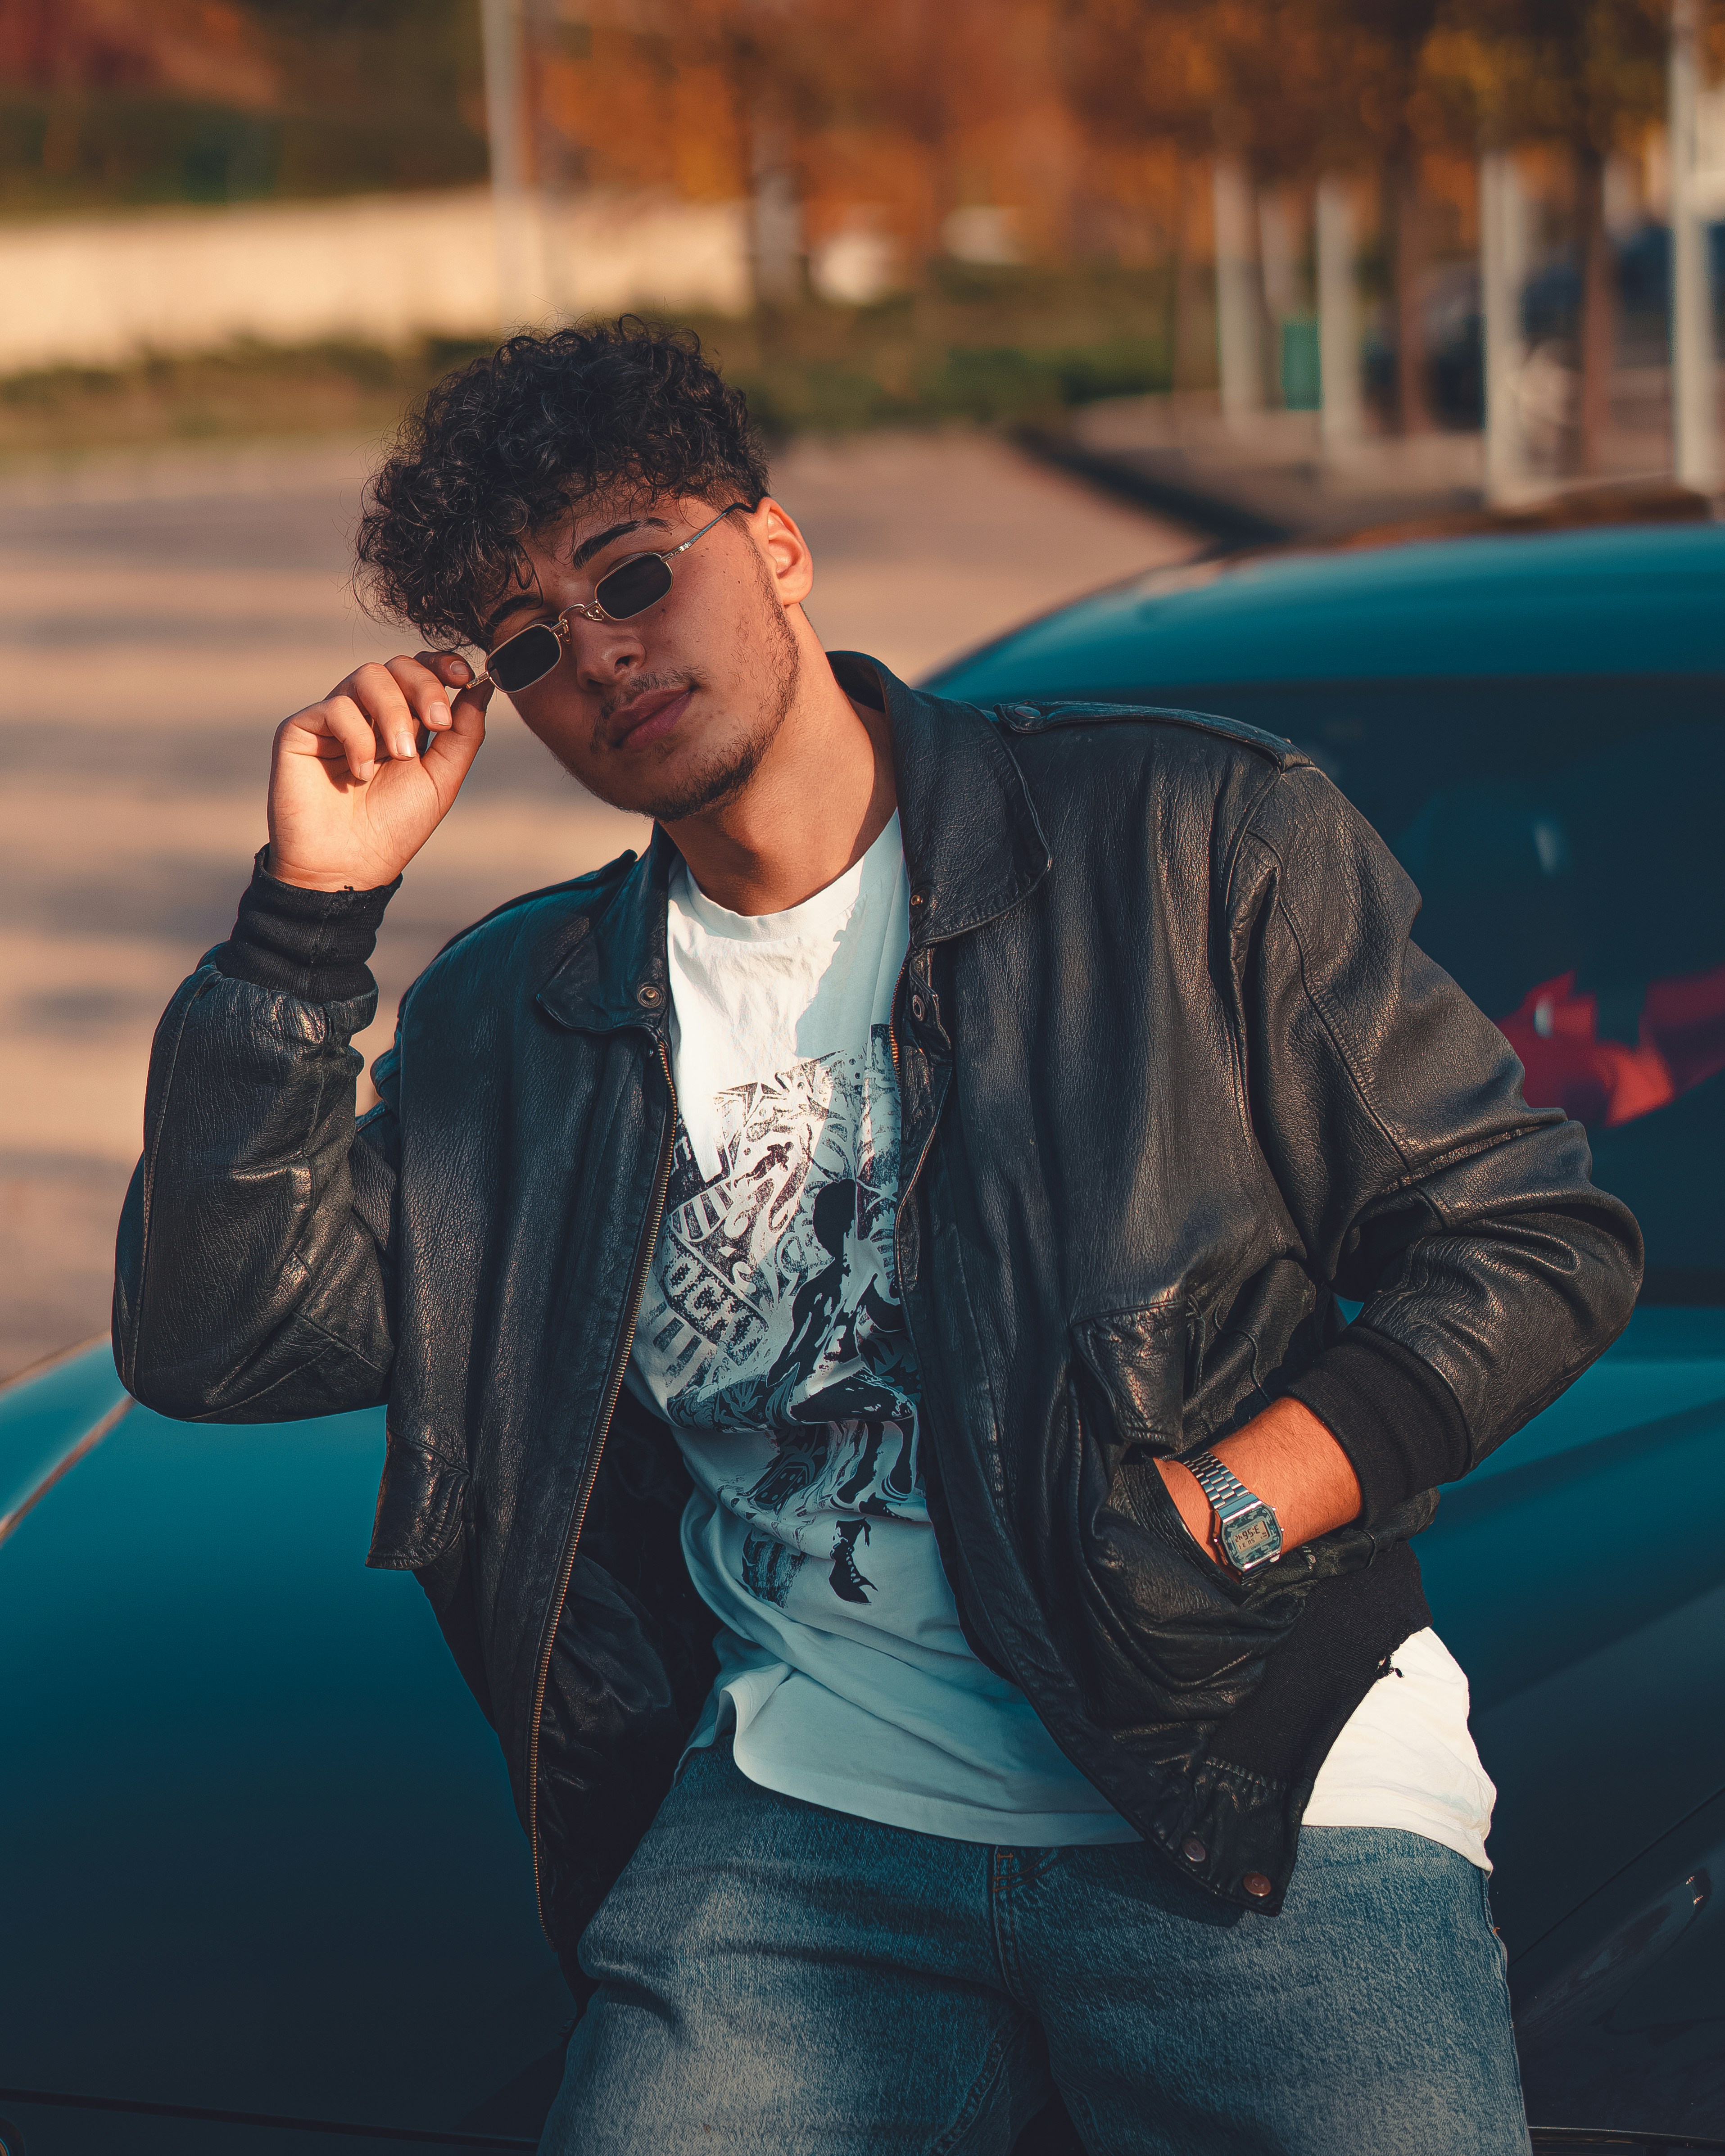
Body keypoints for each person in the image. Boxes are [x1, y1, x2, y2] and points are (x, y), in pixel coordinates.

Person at [114, 321, 1640, 2156]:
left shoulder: (1185, 838)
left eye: (633, 570)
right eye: (529, 644)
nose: (597, 648)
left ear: (773, 546)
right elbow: (218, 1336)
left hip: (1247, 1782)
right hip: (799, 1834)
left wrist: (1230, 1504)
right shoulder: (522, 1021)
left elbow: (1529, 1234)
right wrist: (305, 922)